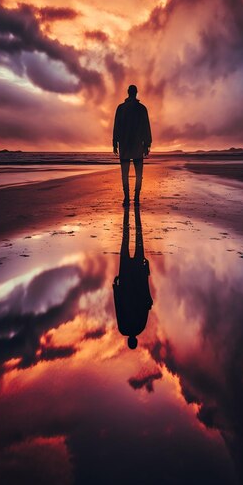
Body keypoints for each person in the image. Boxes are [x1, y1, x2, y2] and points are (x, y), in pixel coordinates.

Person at [113, 206, 153, 349]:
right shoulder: (123, 328)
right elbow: (118, 306)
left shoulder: (140, 327)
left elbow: (146, 302)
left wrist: (146, 272)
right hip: (126, 280)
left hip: (137, 278)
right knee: (125, 242)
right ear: (129, 342)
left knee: (138, 239)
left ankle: (135, 214)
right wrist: (115, 287)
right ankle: (127, 216)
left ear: (135, 341)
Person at [113, 84, 152, 206]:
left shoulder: (120, 108)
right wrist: (147, 144)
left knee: (124, 174)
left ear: (128, 92)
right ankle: (136, 198)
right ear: (136, 93)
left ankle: (126, 198)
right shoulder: (142, 109)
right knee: (138, 174)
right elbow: (146, 127)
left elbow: (116, 127)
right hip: (137, 145)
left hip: (124, 145)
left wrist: (115, 142)